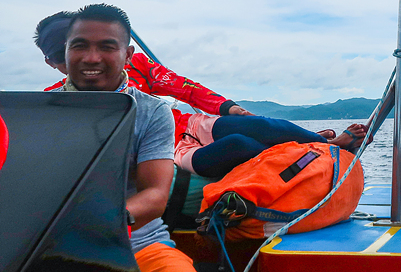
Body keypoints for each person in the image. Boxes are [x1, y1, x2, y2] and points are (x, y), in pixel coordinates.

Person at [35, 11, 369, 178]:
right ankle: (313, 150)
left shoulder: (137, 67)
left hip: (184, 123)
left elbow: (182, 86)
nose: (90, 59)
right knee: (243, 146)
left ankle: (325, 144)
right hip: (167, 148)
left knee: (260, 125)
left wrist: (229, 107)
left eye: (100, 46)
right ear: (55, 61)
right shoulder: (54, 106)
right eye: (73, 50)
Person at [55, 3, 206, 272]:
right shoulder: (40, 110)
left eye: (107, 47)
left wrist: (93, 224)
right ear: (66, 51)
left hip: (137, 242)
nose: (91, 57)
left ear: (127, 55)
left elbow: (155, 195)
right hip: (50, 246)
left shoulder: (152, 111)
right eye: (79, 46)